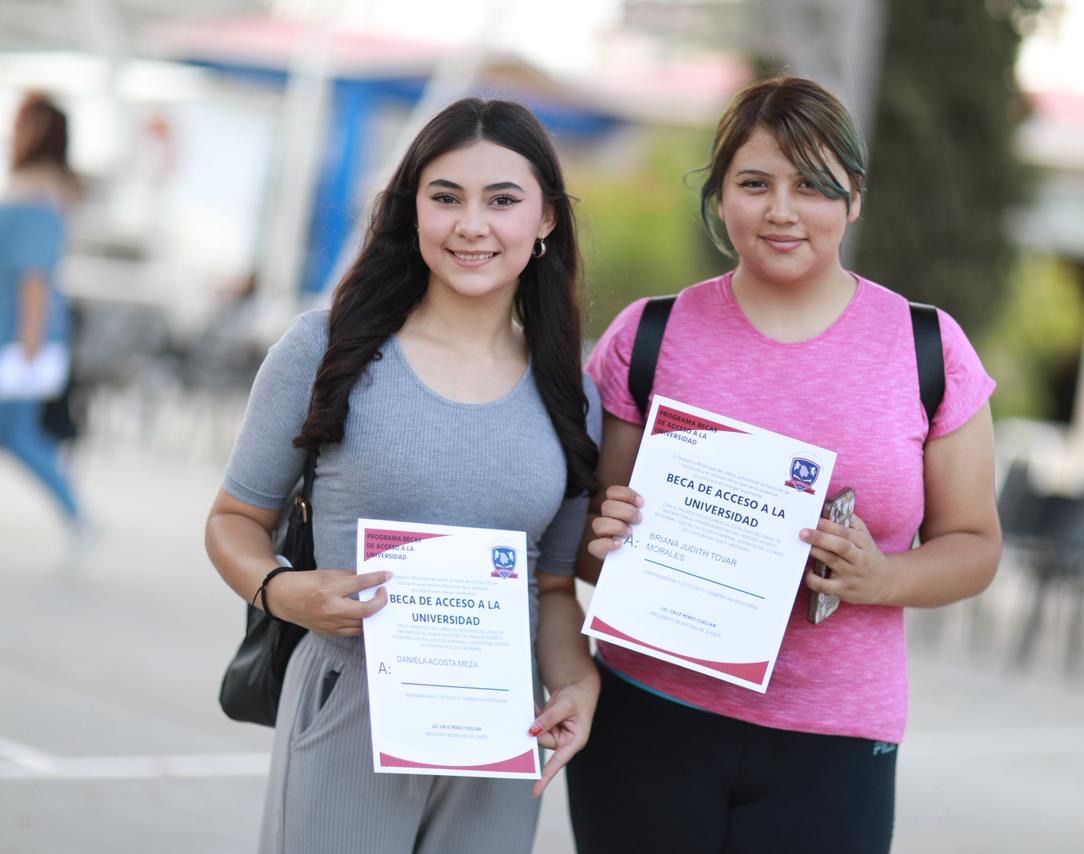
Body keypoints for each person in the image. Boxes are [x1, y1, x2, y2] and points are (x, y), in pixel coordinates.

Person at [567, 76, 1002, 854]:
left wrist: (885, 579)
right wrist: (605, 537)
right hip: (648, 716)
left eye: (812, 185)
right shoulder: (650, 336)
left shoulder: (928, 350)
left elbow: (976, 545)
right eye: (755, 183)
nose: (781, 210)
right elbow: (588, 533)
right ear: (721, 194)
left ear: (854, 198)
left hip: (833, 736)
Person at [204, 98, 600, 854]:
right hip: (349, 696)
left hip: (499, 721)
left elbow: (550, 589)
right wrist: (282, 589)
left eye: (503, 201)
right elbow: (232, 520)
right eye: (445, 197)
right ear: (412, 209)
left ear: (546, 219)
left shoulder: (568, 390)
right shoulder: (325, 348)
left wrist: (577, 686)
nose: (471, 225)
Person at [0, 92, 85, 538]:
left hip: (19, 333)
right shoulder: (45, 186)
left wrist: (28, 346)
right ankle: (79, 516)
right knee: (17, 433)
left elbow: (33, 276)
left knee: (17, 433)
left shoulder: (35, 188)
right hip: (19, 331)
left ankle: (80, 515)